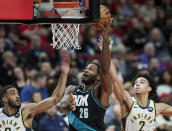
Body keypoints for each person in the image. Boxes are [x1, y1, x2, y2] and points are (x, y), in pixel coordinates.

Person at [59, 19, 113, 131]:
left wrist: (105, 38)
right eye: (86, 69)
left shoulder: (100, 92)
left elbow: (105, 70)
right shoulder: (72, 89)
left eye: (91, 69)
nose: (86, 71)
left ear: (98, 77)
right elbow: (62, 107)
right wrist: (69, 106)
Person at [0, 49, 70, 130]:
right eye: (13, 93)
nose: (17, 95)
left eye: (17, 93)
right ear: (4, 99)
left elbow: (55, 99)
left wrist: (64, 74)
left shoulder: (25, 110)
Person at [108, 54, 172, 130]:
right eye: (136, 83)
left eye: (142, 82)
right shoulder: (128, 101)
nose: (137, 84)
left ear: (148, 88)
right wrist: (107, 54)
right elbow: (115, 79)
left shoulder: (157, 107)